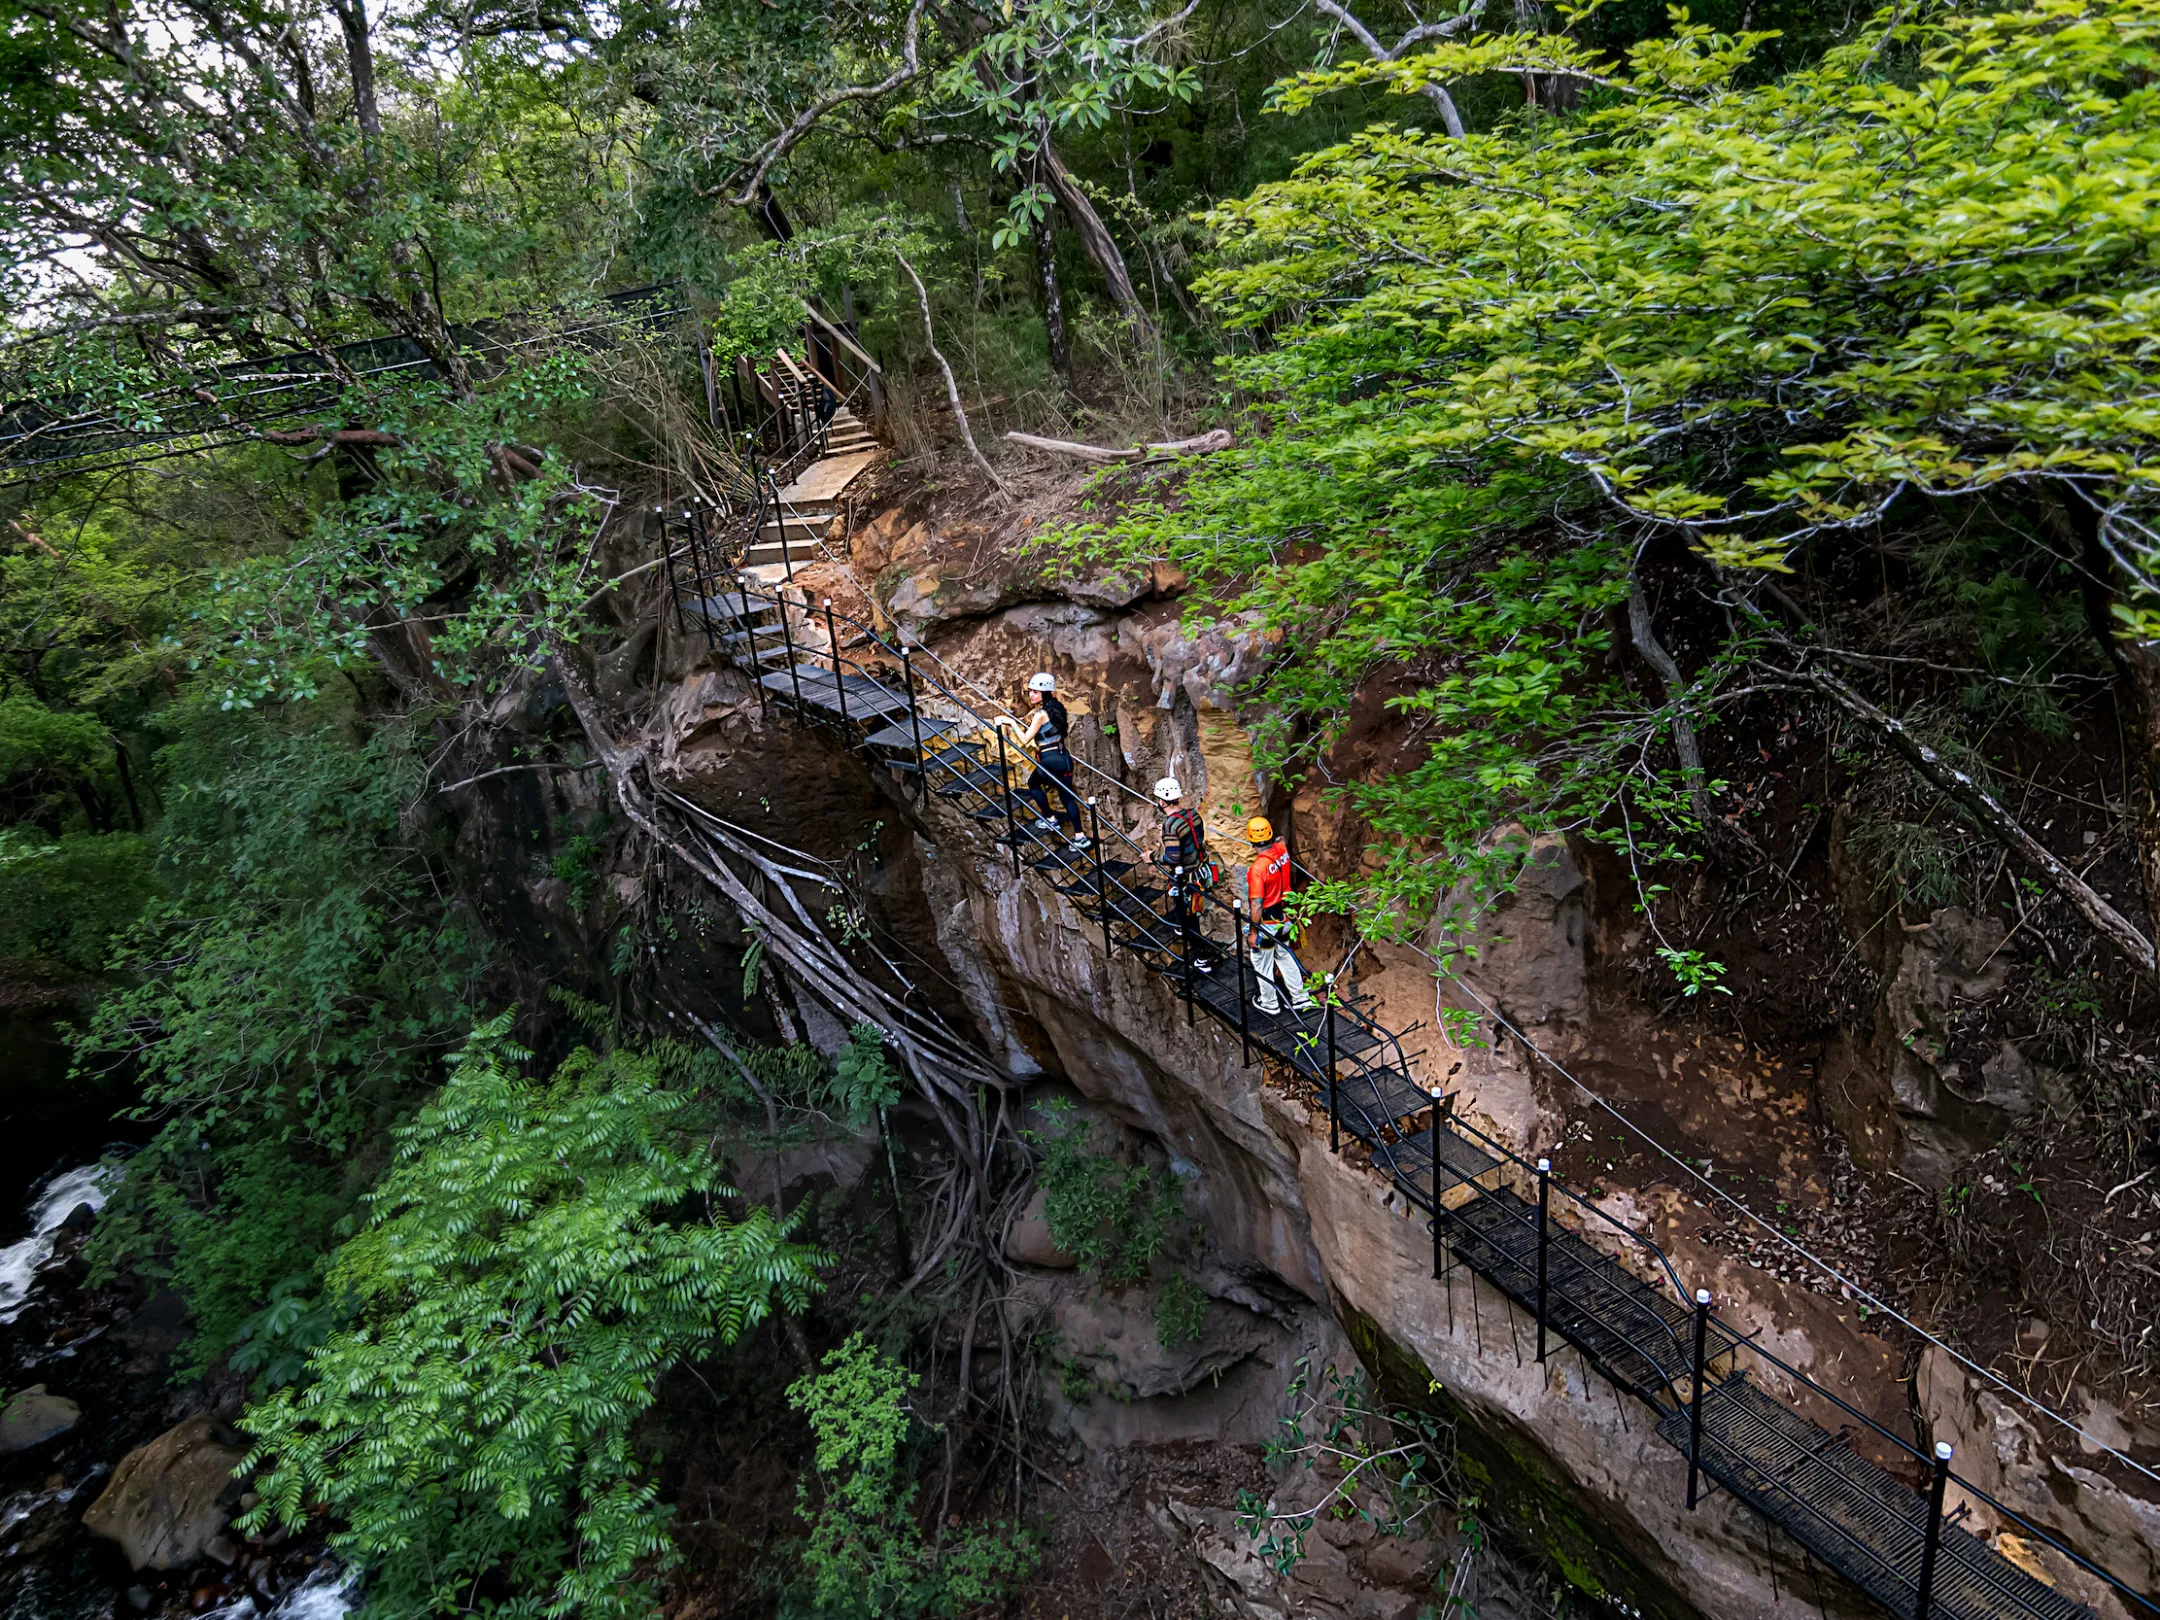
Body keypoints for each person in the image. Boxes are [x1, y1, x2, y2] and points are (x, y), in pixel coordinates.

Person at [1243, 816, 1315, 1015]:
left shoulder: (1257, 869)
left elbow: (1257, 904)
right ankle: (1300, 998)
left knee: (1262, 961)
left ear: (1250, 839)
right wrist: (1277, 842)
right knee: (1284, 955)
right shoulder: (1282, 851)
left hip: (1268, 924)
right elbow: (1281, 840)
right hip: (1285, 918)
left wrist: (1253, 932)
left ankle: (1270, 1003)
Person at [1153, 777, 1218, 972]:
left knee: (1190, 919)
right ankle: (1182, 926)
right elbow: (1191, 836)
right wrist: (1165, 833)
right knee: (1188, 914)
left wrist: (1153, 856)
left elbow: (1172, 857)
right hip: (1199, 869)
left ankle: (1202, 959)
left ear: (1163, 801)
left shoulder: (1170, 826)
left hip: (1186, 877)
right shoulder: (1193, 815)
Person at [1016, 672, 1087, 848]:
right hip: (1064, 757)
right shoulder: (1058, 707)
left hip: (1050, 760)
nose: (1031, 695)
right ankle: (1080, 837)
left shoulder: (1041, 714)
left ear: (1045, 693)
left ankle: (1050, 819)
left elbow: (1025, 739)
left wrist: (1010, 723)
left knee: (1033, 784)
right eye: (1031, 691)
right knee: (1066, 796)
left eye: (1035, 692)